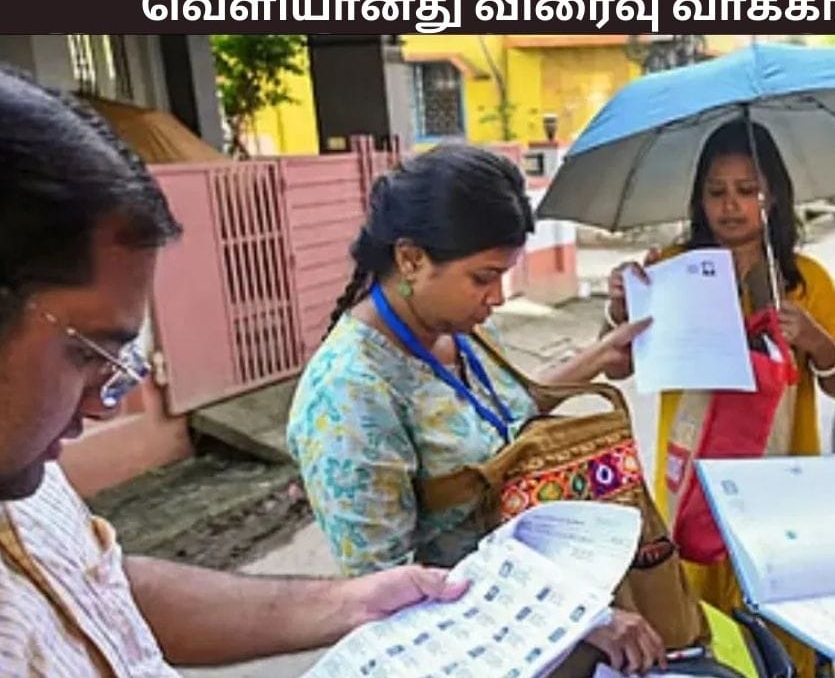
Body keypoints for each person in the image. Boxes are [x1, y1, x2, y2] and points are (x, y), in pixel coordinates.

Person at [0, 65, 470, 675]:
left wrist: (352, 603)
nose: (103, 404)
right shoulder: (353, 383)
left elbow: (101, 587)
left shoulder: (25, 474)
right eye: (88, 353)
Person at [285, 143, 668, 675]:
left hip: (539, 612)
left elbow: (500, 415)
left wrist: (598, 357)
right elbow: (388, 593)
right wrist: (576, 617)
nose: (497, 297)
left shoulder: (452, 331)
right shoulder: (350, 396)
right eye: (483, 278)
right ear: (411, 259)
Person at [606, 118, 835, 678]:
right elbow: (620, 364)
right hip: (692, 488)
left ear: (775, 196)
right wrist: (621, 308)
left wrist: (816, 340)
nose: (731, 205)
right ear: (699, 200)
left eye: (748, 190)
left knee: (779, 621)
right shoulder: (670, 269)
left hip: (780, 490)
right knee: (699, 628)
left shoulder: (806, 279)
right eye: (716, 191)